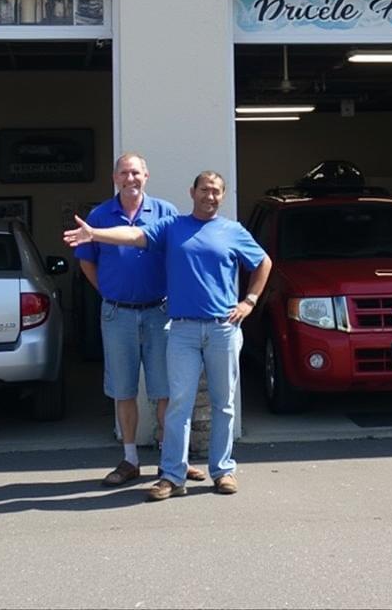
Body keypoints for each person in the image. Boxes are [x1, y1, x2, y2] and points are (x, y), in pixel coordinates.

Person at [64, 170, 272, 501]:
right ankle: (173, 475)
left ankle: (223, 470)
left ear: (223, 195)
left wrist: (249, 301)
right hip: (182, 330)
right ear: (192, 192)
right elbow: (133, 237)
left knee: (224, 404)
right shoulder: (172, 227)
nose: (210, 196)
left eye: (216, 191)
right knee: (178, 404)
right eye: (205, 190)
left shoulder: (232, 231)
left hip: (222, 329)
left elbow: (263, 262)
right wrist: (95, 234)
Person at [74, 153, 204, 487]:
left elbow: (181, 257)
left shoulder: (166, 213)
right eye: (123, 173)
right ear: (114, 177)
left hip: (159, 313)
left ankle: (171, 460)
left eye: (135, 172)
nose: (130, 178)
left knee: (166, 391)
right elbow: (86, 261)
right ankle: (130, 460)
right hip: (117, 314)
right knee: (123, 389)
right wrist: (108, 290)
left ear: (146, 175)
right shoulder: (99, 216)